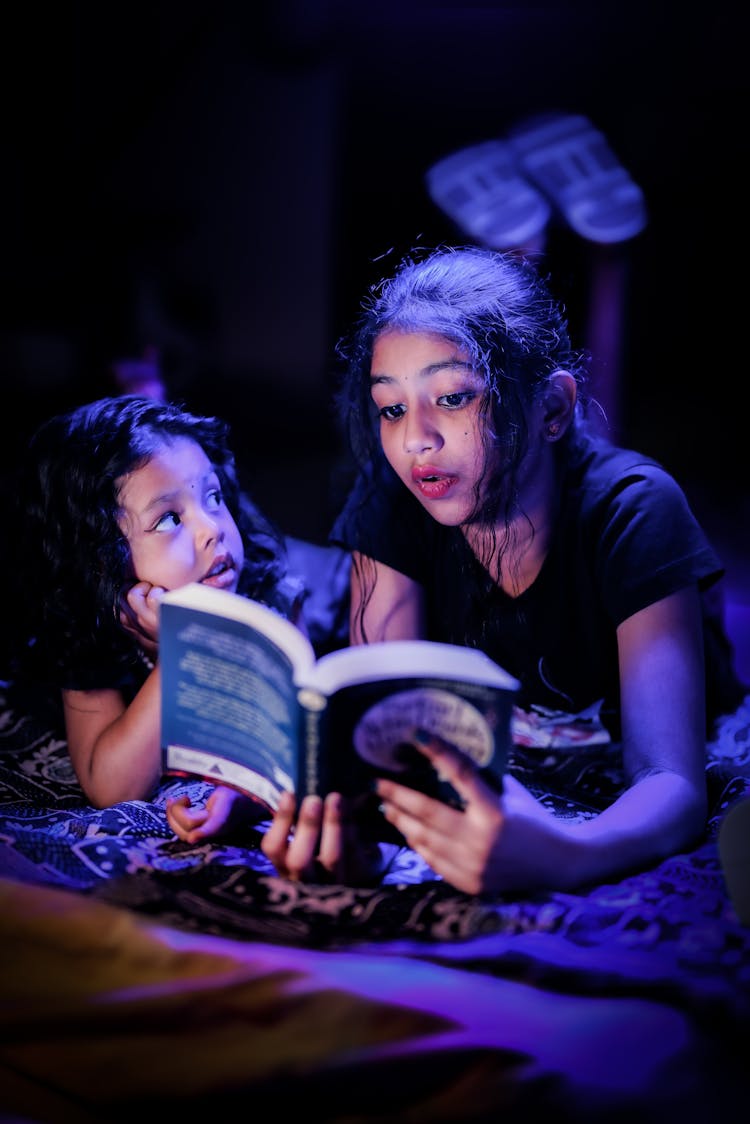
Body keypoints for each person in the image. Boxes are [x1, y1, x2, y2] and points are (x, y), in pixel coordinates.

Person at [315, 243, 746, 896]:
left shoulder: (633, 510)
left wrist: (568, 854)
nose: (415, 440)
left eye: (454, 398)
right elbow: (384, 732)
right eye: (392, 408)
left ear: (551, 408)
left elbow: (672, 782)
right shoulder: (392, 497)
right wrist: (333, 820)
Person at [7, 395, 305, 817]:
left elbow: (287, 745)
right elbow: (111, 787)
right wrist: (179, 654)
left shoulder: (270, 596)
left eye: (214, 497)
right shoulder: (90, 627)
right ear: (102, 557)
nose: (211, 530)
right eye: (169, 519)